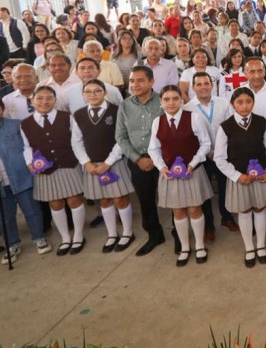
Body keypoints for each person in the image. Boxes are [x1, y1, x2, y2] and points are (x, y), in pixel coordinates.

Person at [147, 85, 213, 266]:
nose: (171, 102)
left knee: (194, 209)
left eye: (175, 98)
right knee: (178, 211)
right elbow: (153, 149)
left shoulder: (194, 118)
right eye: (166, 99)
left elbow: (205, 144)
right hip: (170, 174)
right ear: (161, 102)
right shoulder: (157, 122)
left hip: (192, 172)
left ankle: (199, 245)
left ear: (181, 100)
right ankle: (185, 247)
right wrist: (161, 167)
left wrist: (193, 163)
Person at [214, 87, 266, 268]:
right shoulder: (225, 127)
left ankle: (261, 245)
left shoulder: (261, 122)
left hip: (261, 176)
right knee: (244, 211)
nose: (244, 106)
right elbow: (219, 157)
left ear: (253, 103)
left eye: (248, 102)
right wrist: (236, 176)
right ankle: (249, 247)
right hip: (240, 178)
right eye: (240, 102)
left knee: (260, 208)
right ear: (233, 104)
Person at [71, 79, 136, 254]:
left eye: (97, 91)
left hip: (114, 162)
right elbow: (76, 142)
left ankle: (128, 233)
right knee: (104, 200)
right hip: (93, 166)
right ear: (83, 95)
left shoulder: (117, 110)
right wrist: (86, 162)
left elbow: (122, 138)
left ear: (104, 92)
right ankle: (112, 234)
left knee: (120, 198)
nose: (93, 95)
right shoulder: (78, 114)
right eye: (88, 91)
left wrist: (108, 162)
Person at [20, 86, 87, 256]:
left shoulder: (67, 117)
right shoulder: (25, 123)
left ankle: (78, 235)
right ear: (32, 100)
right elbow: (27, 147)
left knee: (74, 200)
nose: (44, 102)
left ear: (55, 100)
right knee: (55, 204)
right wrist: (29, 162)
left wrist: (82, 161)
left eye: (49, 98)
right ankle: (65, 238)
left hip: (68, 164)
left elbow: (77, 140)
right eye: (40, 98)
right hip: (44, 169)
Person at [115, 66, 166, 257]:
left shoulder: (164, 100)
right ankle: (154, 235)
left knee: (172, 199)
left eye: (140, 80)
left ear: (151, 82)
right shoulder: (125, 105)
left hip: (163, 161)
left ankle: (179, 235)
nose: (135, 84)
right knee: (146, 201)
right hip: (138, 161)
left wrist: (156, 159)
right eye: (132, 81)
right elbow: (120, 137)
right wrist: (137, 159)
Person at [185, 71, 237, 236]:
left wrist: (220, 152)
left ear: (212, 85)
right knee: (205, 192)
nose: (203, 87)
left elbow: (231, 127)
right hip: (201, 157)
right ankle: (208, 225)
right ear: (193, 87)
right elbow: (189, 136)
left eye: (206, 83)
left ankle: (226, 217)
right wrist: (206, 153)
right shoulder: (187, 108)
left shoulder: (223, 103)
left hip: (223, 155)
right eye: (199, 84)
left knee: (225, 188)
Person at [0, 101, 50, 263]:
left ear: (2, 109)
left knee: (31, 210)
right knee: (5, 217)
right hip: (1, 183)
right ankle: (12, 244)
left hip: (20, 175)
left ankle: (39, 238)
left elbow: (28, 147)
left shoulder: (16, 125)